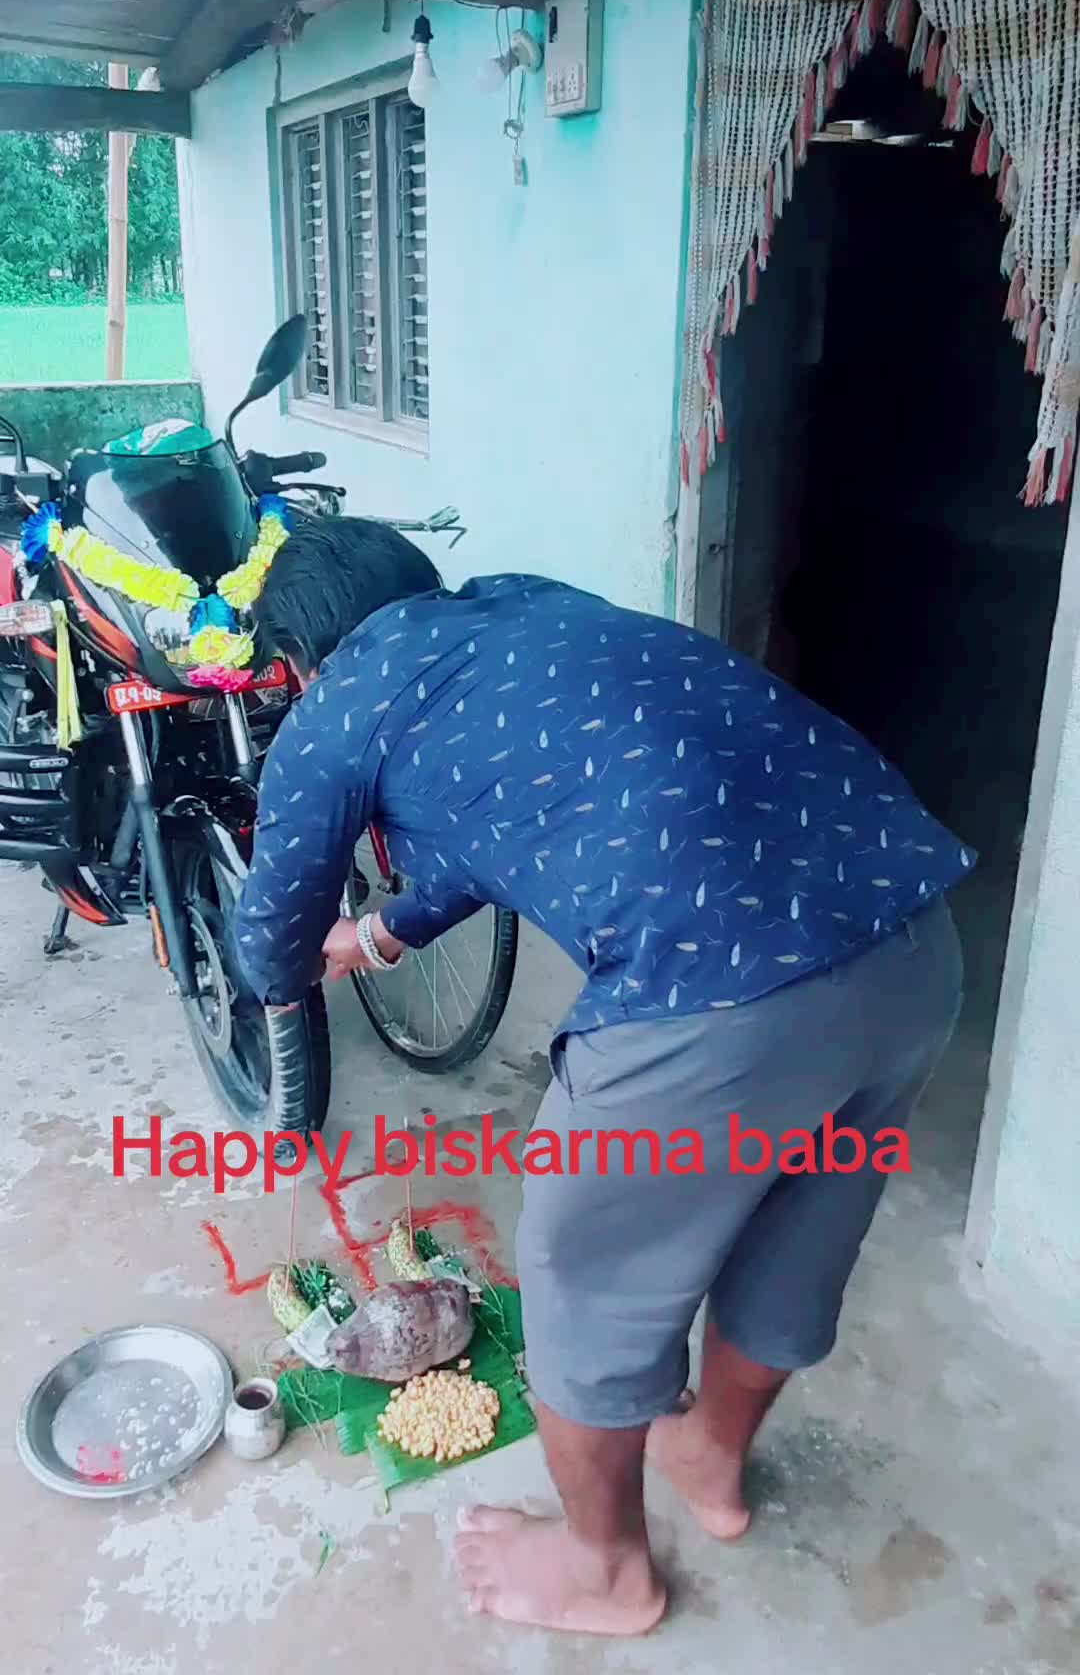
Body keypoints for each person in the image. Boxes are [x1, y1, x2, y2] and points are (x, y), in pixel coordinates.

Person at [235, 516, 970, 1637]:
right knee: (801, 1225)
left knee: (582, 1275)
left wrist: (296, 963)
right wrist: (382, 936)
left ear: (300, 660)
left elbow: (268, 948)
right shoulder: (525, 604)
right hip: (911, 942)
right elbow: (506, 817)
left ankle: (606, 1571)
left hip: (722, 994)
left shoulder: (334, 707)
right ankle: (710, 1455)